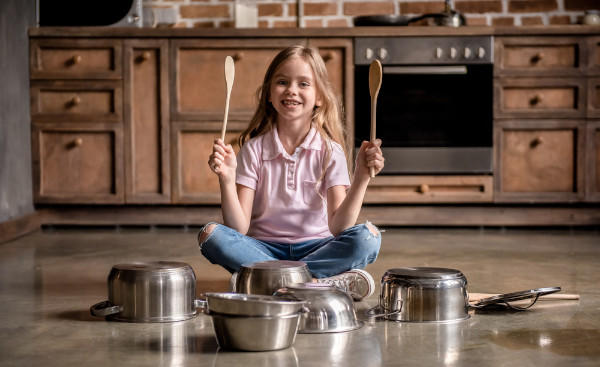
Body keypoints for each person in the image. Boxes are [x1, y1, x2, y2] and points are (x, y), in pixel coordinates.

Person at [197, 45, 385, 301]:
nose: (292, 90)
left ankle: (265, 282)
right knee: (211, 235)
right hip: (263, 249)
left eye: (304, 84)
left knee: (367, 238)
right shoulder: (253, 150)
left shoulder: (331, 151)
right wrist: (227, 179)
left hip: (318, 247)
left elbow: (340, 227)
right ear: (269, 95)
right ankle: (318, 283)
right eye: (282, 82)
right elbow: (238, 228)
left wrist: (362, 176)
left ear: (319, 97)